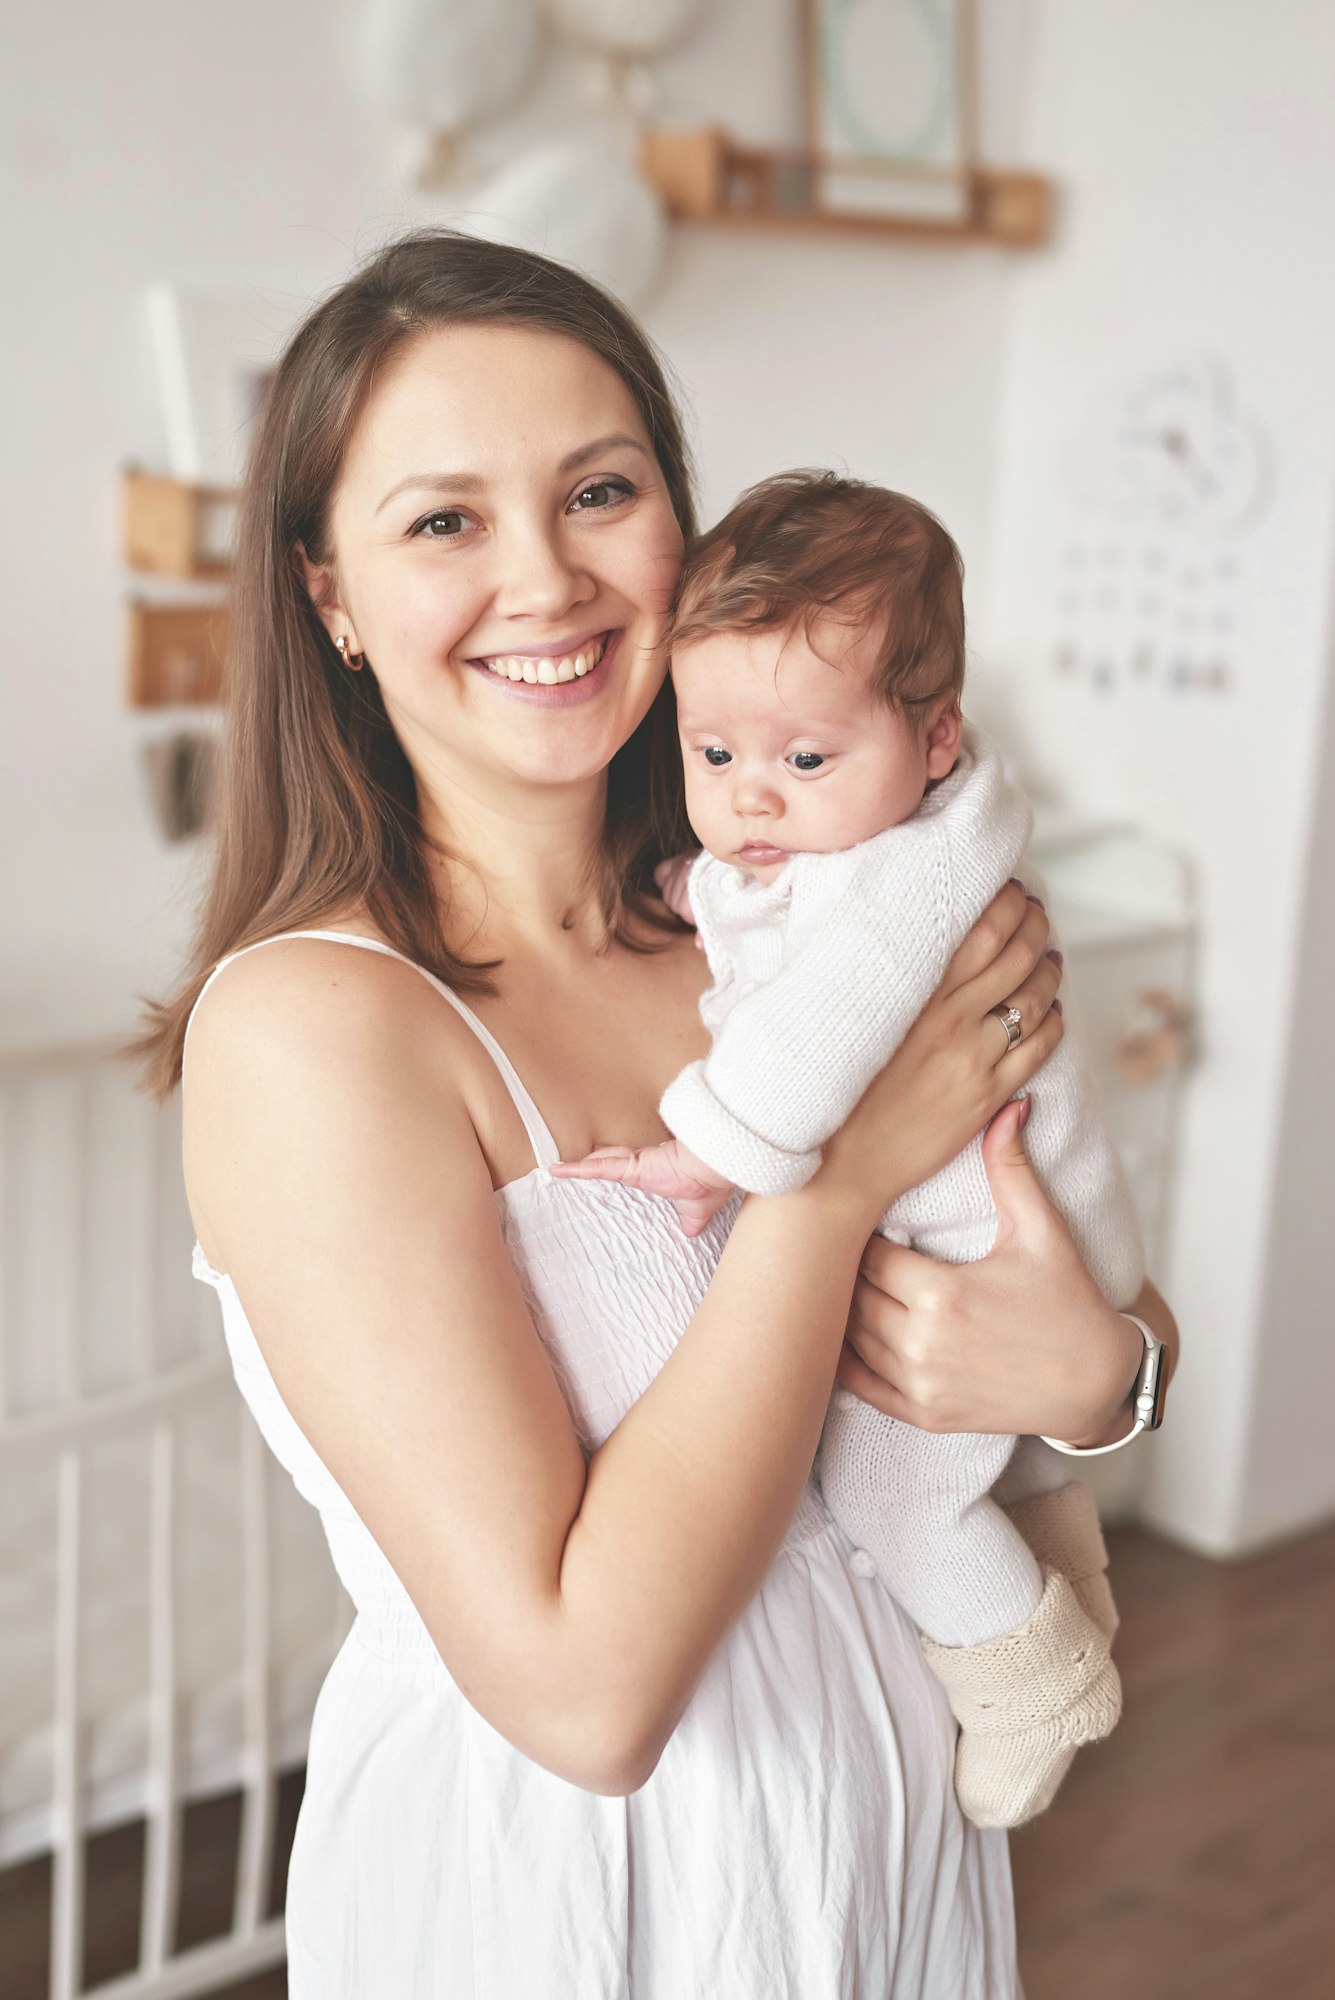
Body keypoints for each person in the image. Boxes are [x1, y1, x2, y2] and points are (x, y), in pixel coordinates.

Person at [136, 230, 1177, 1997]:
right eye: (445, 520)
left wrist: (1100, 1382)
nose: (545, 579)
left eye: (599, 490)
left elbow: (1084, 1325)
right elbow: (586, 1698)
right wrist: (826, 1189)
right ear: (329, 598)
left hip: (892, 1835)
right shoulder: (322, 1033)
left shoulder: (793, 923)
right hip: (584, 1896)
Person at [553, 471, 1144, 1831]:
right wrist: (701, 885)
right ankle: (1070, 1576)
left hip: (1001, 1231)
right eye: (714, 759)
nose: (754, 797)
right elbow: (775, 899)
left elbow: (817, 1025)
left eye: (805, 762)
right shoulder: (866, 833)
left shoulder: (908, 883)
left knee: (893, 1482)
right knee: (1009, 1458)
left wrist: (708, 1153)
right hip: (1014, 1226)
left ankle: (1035, 1681)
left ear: (936, 744)